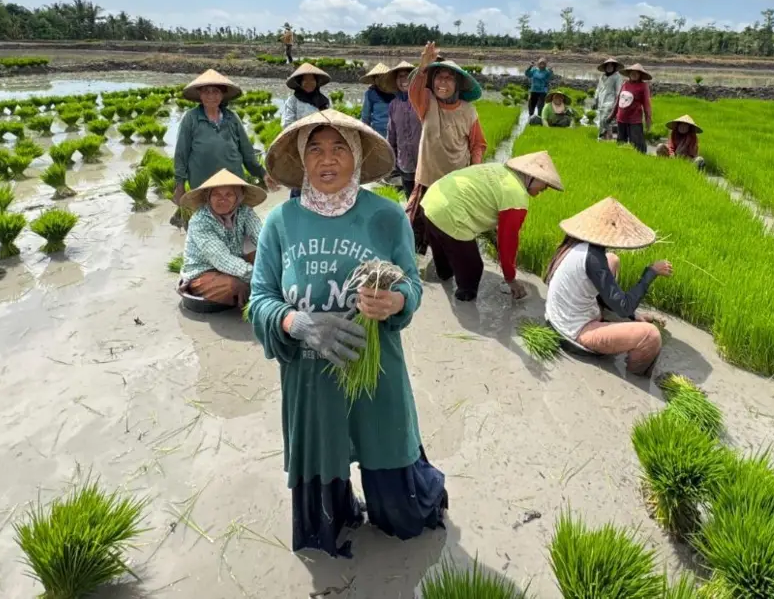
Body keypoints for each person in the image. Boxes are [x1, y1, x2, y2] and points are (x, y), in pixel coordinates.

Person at [248, 110, 446, 558]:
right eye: (315, 148)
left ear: (356, 156)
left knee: (405, 520)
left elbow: (412, 286)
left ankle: (406, 498)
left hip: (376, 373)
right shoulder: (280, 223)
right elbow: (258, 297)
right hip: (310, 381)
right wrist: (295, 323)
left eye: (339, 147)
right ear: (301, 159)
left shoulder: (387, 215)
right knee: (323, 529)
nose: (327, 159)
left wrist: (396, 302)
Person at [543, 197, 671, 375]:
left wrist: (635, 315)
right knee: (651, 336)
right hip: (572, 333)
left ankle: (612, 319)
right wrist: (651, 273)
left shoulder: (578, 245)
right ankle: (636, 379)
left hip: (555, 318)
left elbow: (620, 303)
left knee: (613, 260)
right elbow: (623, 308)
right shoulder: (594, 259)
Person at [420, 151, 563, 302]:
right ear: (532, 176)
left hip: (430, 201)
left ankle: (442, 281)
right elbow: (508, 241)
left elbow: (481, 199)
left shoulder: (498, 169)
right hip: (449, 215)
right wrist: (511, 279)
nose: (545, 189)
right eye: (545, 184)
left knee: (443, 254)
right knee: (473, 270)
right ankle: (465, 308)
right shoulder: (516, 197)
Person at [405, 42, 487, 254]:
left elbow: (478, 144)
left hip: (455, 181)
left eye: (449, 78)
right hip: (427, 179)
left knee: (449, 227)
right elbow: (414, 90)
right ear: (432, 82)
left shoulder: (468, 111)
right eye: (439, 77)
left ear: (457, 84)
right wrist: (423, 67)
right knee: (418, 227)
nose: (443, 82)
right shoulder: (427, 103)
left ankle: (445, 261)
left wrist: (474, 171)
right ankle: (418, 267)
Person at [174, 70, 277, 220]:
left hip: (233, 182)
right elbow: (181, 153)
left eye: (216, 92)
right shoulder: (191, 118)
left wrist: (262, 173)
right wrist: (179, 184)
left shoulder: (231, 117)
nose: (211, 96)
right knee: (207, 221)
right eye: (206, 91)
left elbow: (247, 151)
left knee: (235, 220)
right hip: (203, 185)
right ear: (200, 94)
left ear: (222, 95)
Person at [176, 169, 264, 314]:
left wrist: (280, 265)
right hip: (204, 271)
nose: (222, 199)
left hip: (235, 262)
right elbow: (221, 259)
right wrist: (260, 276)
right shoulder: (200, 221)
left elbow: (262, 238)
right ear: (209, 197)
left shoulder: (245, 211)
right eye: (216, 194)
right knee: (235, 287)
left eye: (229, 194)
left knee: (262, 255)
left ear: (238, 197)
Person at [384, 61, 421, 195]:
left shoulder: (422, 100)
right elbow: (391, 134)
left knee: (426, 203)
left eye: (408, 75)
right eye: (400, 76)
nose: (404, 79)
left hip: (425, 163)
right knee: (410, 199)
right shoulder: (393, 104)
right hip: (404, 162)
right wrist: (390, 158)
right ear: (396, 81)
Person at [611, 63, 653, 153]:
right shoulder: (625, 83)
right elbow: (618, 100)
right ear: (629, 73)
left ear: (640, 75)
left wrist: (648, 119)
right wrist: (612, 115)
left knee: (637, 144)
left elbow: (646, 104)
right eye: (632, 72)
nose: (634, 74)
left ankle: (641, 159)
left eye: (637, 73)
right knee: (621, 142)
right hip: (621, 118)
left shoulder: (643, 86)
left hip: (635, 120)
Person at [281, 63, 332, 128]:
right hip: (300, 135)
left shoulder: (324, 101)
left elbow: (330, 121)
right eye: (305, 80)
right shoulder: (292, 101)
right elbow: (287, 124)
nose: (309, 83)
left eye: (312, 80)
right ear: (300, 82)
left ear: (316, 82)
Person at [359, 62, 394, 137]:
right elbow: (365, 116)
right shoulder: (370, 93)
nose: (380, 79)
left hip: (395, 132)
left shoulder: (396, 92)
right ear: (374, 80)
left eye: (382, 76)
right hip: (378, 132)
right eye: (377, 77)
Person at [594, 58, 624, 139]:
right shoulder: (602, 76)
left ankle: (606, 137)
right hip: (601, 101)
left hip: (610, 102)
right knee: (601, 121)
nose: (609, 67)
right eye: (607, 65)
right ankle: (604, 137)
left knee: (605, 120)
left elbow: (618, 91)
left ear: (614, 67)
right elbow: (598, 89)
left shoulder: (617, 77)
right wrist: (595, 99)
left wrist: (616, 104)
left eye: (611, 65)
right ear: (605, 67)